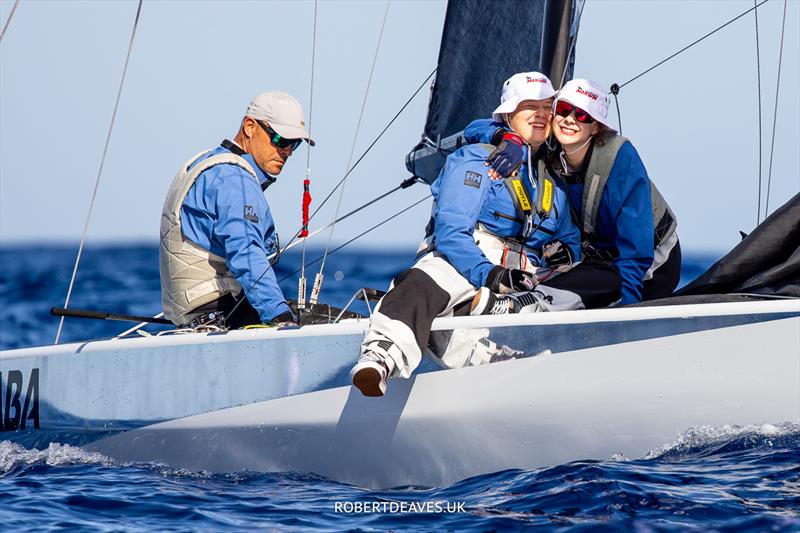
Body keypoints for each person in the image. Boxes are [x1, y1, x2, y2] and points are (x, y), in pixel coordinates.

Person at [350, 72, 582, 397]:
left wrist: (566, 253)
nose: (541, 114)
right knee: (421, 282)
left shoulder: (551, 181)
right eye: (530, 105)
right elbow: (451, 233)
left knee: (577, 300)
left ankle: (526, 362)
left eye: (547, 107)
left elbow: (570, 240)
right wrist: (490, 274)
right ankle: (379, 358)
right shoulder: (476, 159)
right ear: (507, 114)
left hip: (521, 282)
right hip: (463, 264)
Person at [466, 79, 680, 307]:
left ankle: (519, 306)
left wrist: (627, 315)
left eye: (582, 115)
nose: (569, 120)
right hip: (598, 259)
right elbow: (472, 129)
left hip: (651, 262)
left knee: (597, 280)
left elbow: (635, 251)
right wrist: (506, 138)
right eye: (564, 110)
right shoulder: (552, 142)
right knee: (556, 276)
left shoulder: (620, 159)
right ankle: (508, 303)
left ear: (596, 126)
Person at [159, 91, 314, 329]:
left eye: (295, 144)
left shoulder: (207, 162)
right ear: (250, 127)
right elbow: (246, 254)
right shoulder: (234, 178)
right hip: (221, 313)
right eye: (281, 140)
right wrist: (280, 317)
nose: (288, 151)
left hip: (199, 315)